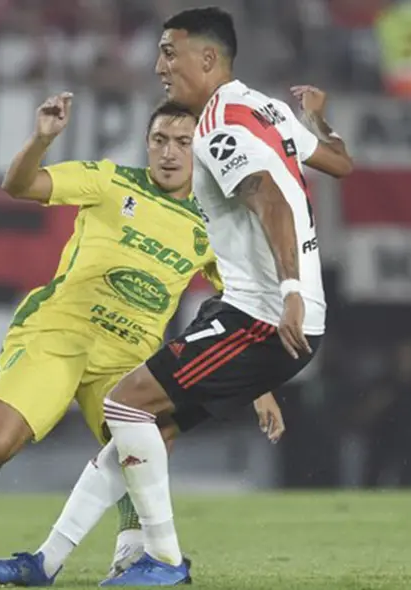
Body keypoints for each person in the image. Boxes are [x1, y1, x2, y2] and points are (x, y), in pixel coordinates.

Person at [0, 95, 285, 581]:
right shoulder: (110, 180)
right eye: (160, 141)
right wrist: (43, 139)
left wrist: (258, 385)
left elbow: (243, 308)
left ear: (200, 149)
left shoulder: (214, 223)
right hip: (60, 333)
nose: (170, 153)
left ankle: (130, 552)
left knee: (154, 437)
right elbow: (19, 184)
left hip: (127, 359)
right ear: (147, 145)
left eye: (182, 142)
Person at [64, 7, 352, 586]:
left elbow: (267, 198)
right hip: (260, 309)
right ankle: (47, 559)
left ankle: (163, 560)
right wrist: (318, 121)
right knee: (151, 428)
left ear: (208, 58)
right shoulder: (265, 107)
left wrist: (291, 292)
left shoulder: (219, 125)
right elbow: (341, 163)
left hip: (263, 313)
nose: (158, 66)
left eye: (170, 53)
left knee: (126, 405)